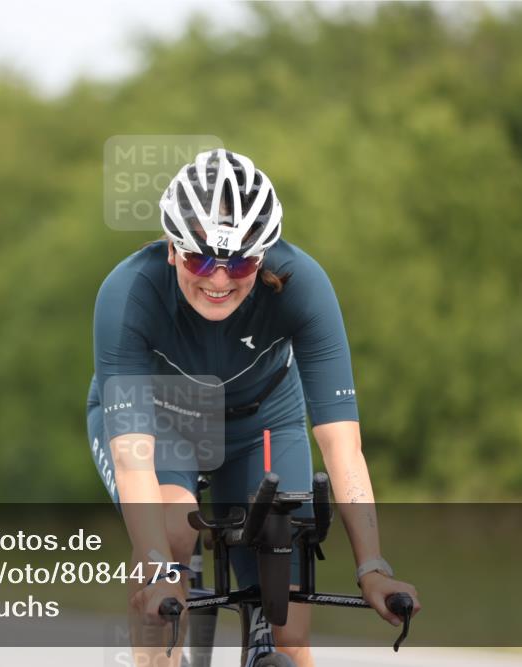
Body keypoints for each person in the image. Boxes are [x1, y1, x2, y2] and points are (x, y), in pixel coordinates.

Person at [87, 148, 420, 667]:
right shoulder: (128, 292)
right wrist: (157, 569)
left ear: (263, 257)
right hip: (161, 417)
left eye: (240, 262)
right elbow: (133, 457)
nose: (219, 280)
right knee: (171, 538)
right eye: (200, 259)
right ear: (172, 250)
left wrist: (372, 567)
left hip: (262, 417)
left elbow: (342, 445)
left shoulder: (303, 283)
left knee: (288, 623)